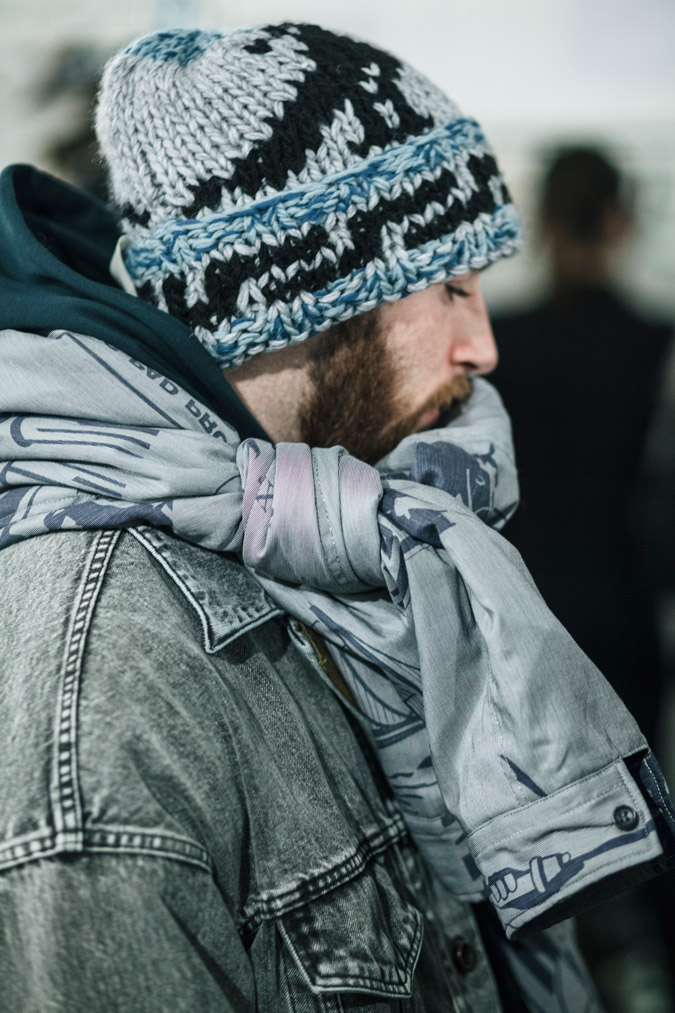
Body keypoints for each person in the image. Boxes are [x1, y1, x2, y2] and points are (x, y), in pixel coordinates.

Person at [1, 25, 674, 1013]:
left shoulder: (333, 537)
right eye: (450, 287)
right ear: (301, 293)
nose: (483, 344)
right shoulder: (111, 688)